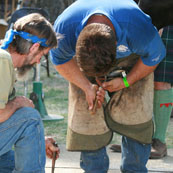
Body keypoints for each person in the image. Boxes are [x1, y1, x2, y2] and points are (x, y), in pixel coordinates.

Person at [50, 0, 166, 172]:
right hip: (86, 61)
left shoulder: (138, 27)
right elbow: (59, 60)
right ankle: (94, 169)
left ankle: (134, 169)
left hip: (132, 56)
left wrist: (127, 81)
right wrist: (86, 86)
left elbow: (154, 56)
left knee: (136, 114)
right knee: (87, 116)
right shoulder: (63, 29)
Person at [0, 13, 60, 173]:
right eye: (41, 54)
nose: (38, 61)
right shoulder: (3, 60)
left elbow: (8, 121)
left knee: (14, 162)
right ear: (34, 47)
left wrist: (38, 140)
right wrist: (18, 103)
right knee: (30, 117)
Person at [150, 26, 173, 159]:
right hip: (141, 13)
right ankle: (136, 140)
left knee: (161, 81)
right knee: (136, 81)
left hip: (168, 17)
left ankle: (159, 140)